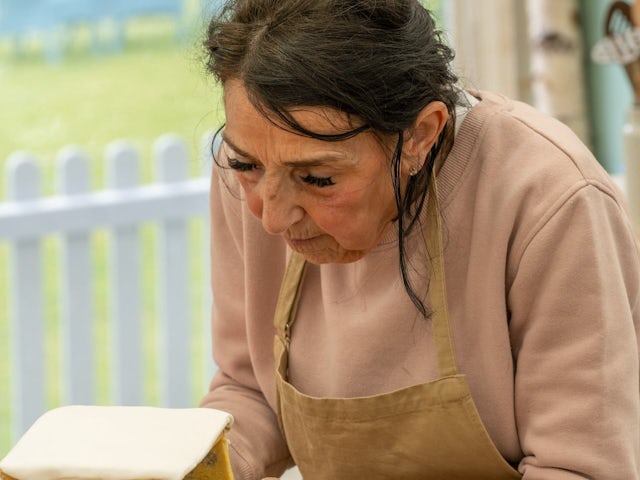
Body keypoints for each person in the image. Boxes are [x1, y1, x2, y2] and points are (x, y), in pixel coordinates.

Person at [199, 1, 640, 479]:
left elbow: (580, 467)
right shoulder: (255, 170)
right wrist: (205, 463)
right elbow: (248, 388)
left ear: (420, 135)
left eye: (318, 178)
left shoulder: (549, 199)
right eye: (247, 166)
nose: (272, 218)